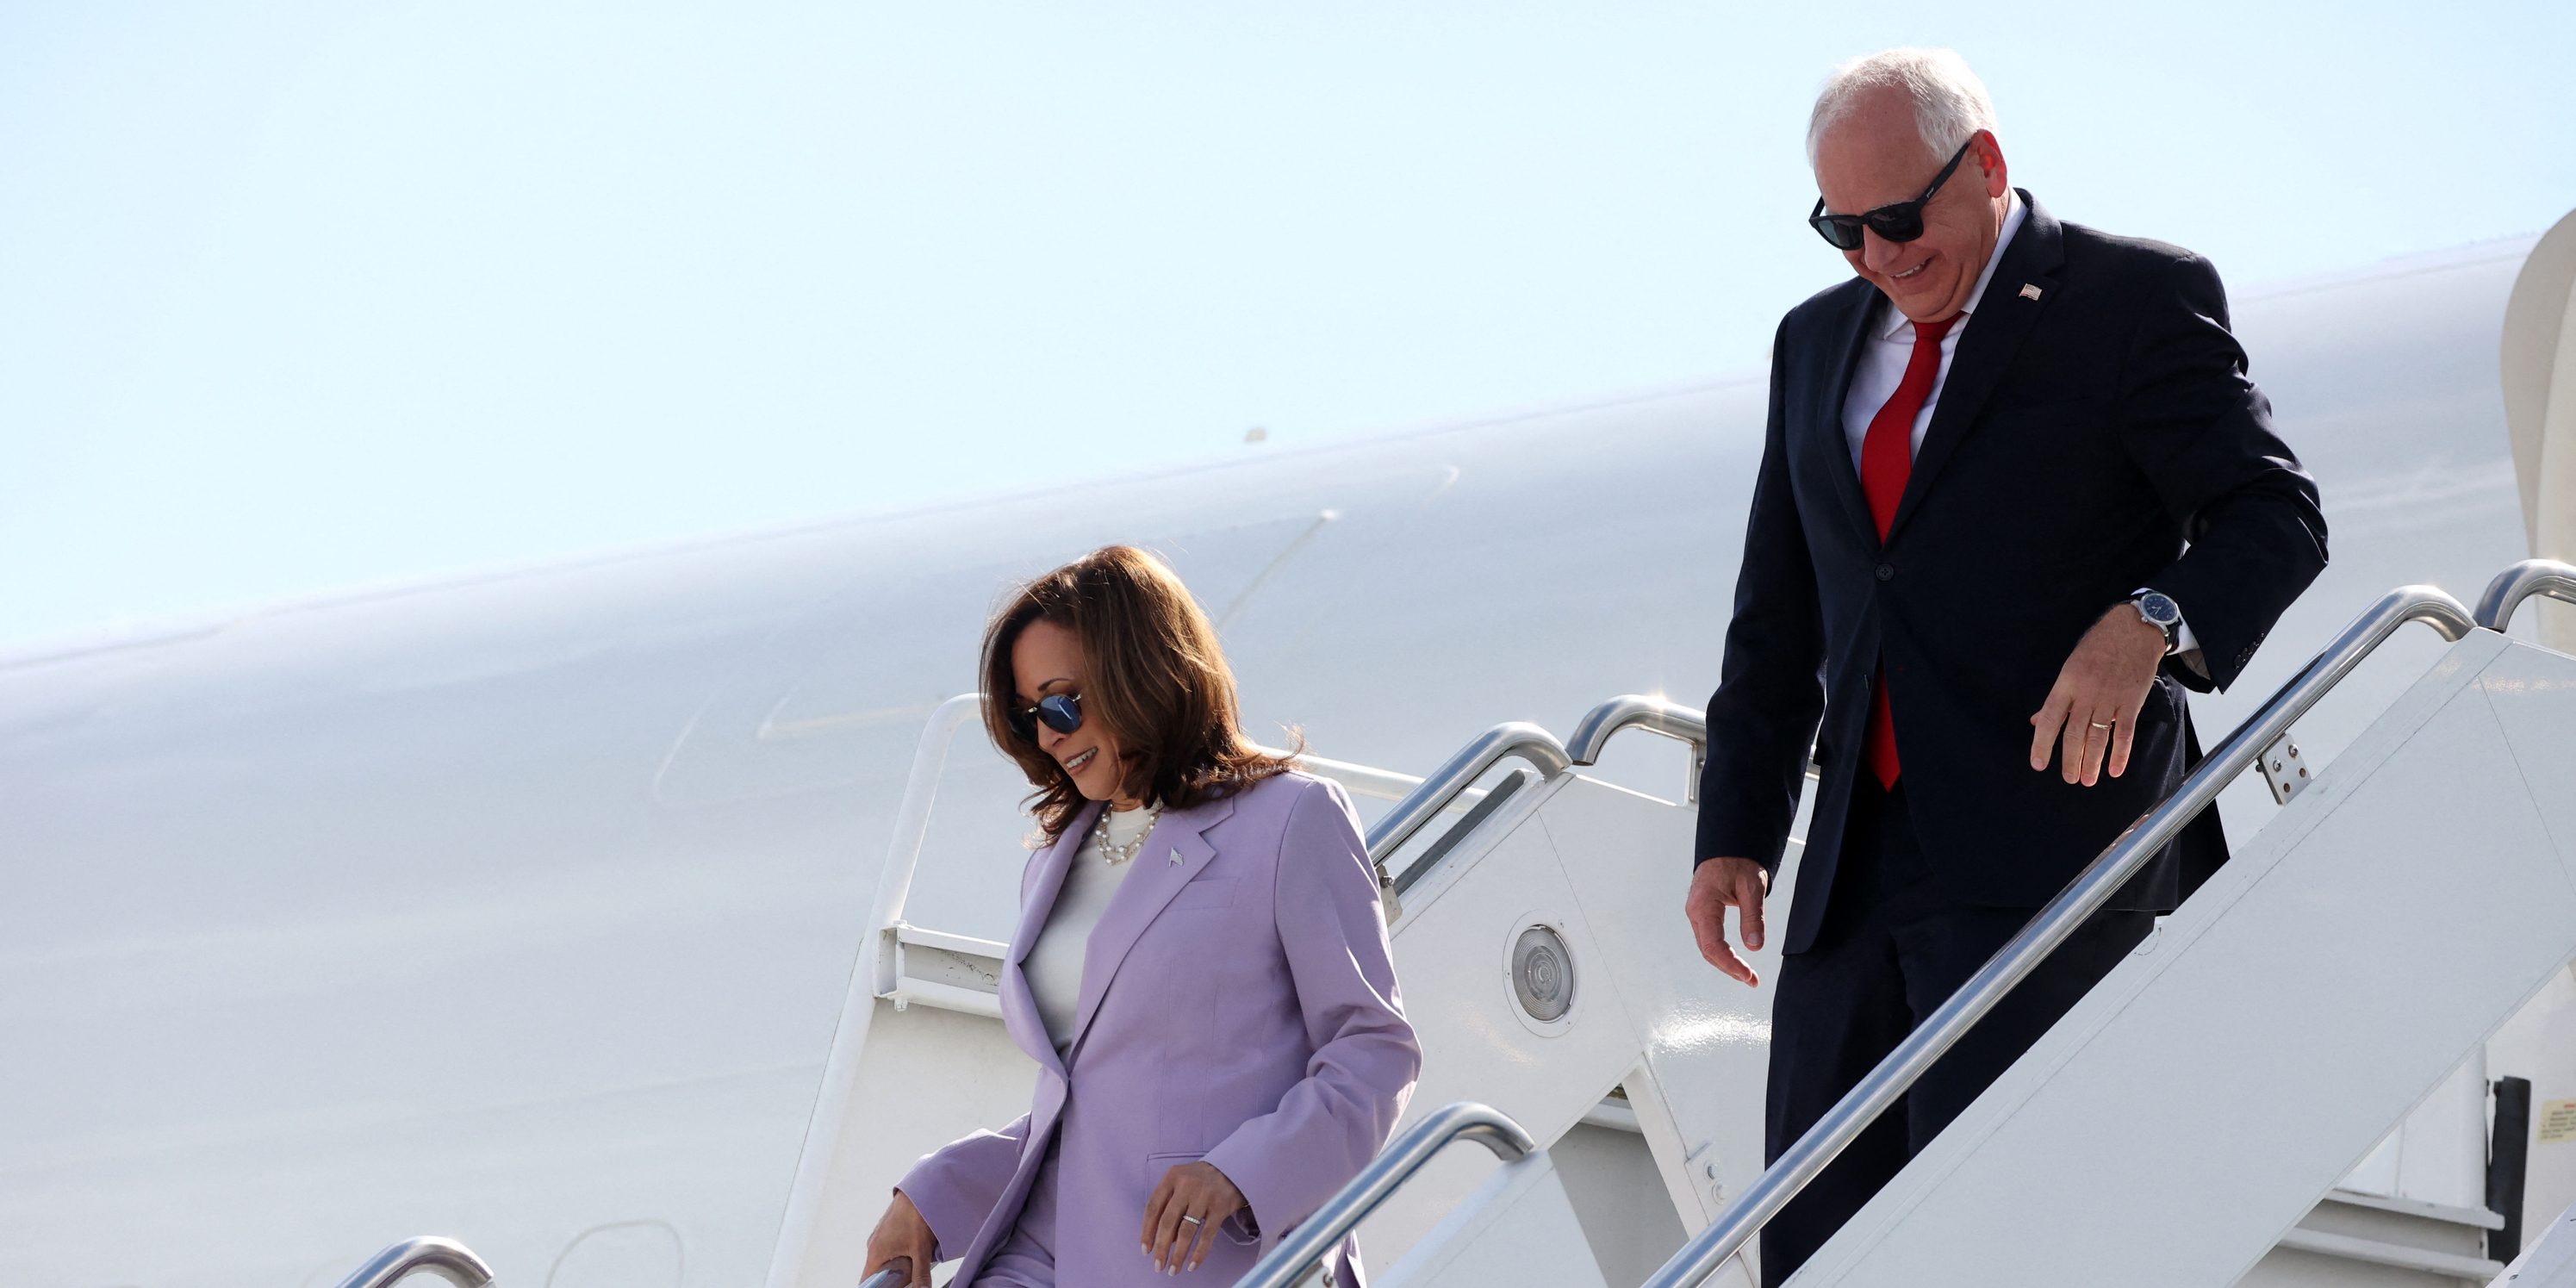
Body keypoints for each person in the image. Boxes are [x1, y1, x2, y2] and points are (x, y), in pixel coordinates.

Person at [1684, 49, 2327, 1285]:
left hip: (2045, 848)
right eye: (1840, 230)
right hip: (1853, 877)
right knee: (1818, 1247)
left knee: (1989, 1243)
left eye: (1897, 219)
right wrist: (1737, 829)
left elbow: (2271, 512)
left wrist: (2150, 617)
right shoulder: (1813, 345)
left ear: (1983, 167)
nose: (1874, 255)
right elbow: (1779, 613)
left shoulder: (2129, 301)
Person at [862, 544, 1420, 1288]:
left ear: (1139, 669)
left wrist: (1242, 1172)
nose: (1049, 735)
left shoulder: (1291, 818)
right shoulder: (1056, 858)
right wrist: (931, 1194)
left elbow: (1375, 1050)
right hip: (1047, 1253)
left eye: (1062, 701)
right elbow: (1089, 1108)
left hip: (1205, 1255)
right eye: (1030, 717)